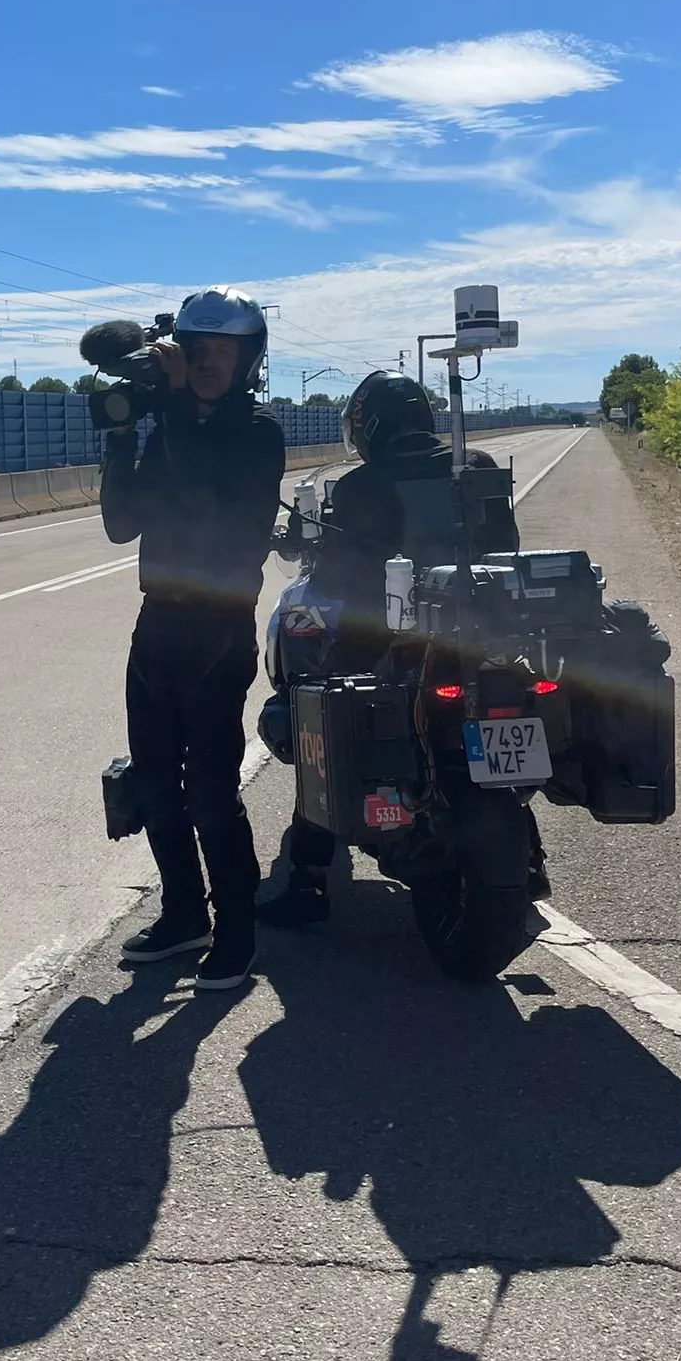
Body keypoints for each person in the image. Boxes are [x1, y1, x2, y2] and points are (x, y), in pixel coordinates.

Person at [259, 370, 518, 928]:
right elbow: (506, 548)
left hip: (386, 642)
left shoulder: (361, 486)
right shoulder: (477, 470)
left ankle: (307, 880)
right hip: (483, 636)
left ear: (370, 425)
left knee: (313, 715)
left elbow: (335, 577)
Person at [102, 287, 286, 991]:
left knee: (210, 789)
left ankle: (235, 933)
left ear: (248, 359)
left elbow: (214, 503)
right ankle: (184, 915)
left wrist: (174, 408)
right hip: (157, 622)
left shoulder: (257, 430)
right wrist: (121, 438)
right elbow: (124, 524)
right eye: (194, 347)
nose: (205, 361)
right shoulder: (168, 426)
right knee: (153, 784)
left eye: (221, 349)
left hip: (217, 629)